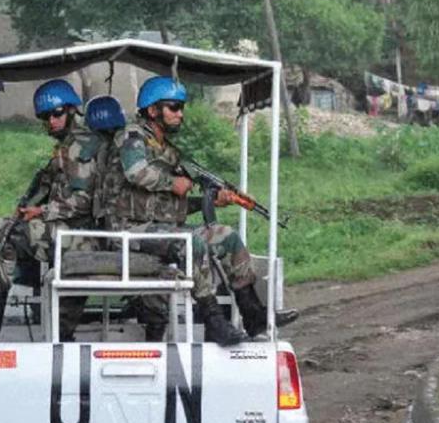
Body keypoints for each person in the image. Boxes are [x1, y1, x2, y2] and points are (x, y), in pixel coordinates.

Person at [100, 76, 298, 344]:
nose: (179, 113)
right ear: (152, 110)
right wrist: (173, 182)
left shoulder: (167, 150)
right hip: (126, 231)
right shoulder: (131, 136)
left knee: (226, 235)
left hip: (155, 229)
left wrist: (210, 200)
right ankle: (214, 321)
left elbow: (166, 206)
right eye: (173, 107)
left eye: (181, 107)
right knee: (191, 243)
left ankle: (254, 315)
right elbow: (137, 173)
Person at [0, 79, 105, 341]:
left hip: (84, 233)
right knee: (9, 228)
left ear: (71, 110)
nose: (51, 121)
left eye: (57, 114)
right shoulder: (68, 146)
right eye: (46, 116)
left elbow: (83, 202)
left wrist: (41, 211)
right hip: (71, 230)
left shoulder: (81, 145)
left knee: (4, 230)